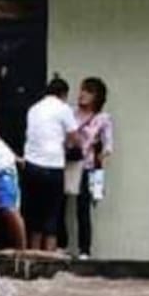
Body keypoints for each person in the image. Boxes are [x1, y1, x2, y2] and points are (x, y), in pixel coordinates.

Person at [22, 75, 79, 252]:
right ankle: (50, 261)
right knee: (52, 214)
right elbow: (74, 137)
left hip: (31, 165)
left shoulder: (33, 109)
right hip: (53, 166)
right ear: (63, 94)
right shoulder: (63, 108)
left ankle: (33, 255)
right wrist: (67, 146)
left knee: (35, 214)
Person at [60, 76, 114, 259]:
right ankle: (62, 245)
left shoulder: (102, 119)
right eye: (82, 89)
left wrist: (101, 153)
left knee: (83, 208)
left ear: (97, 97)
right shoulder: (69, 112)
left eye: (89, 91)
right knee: (61, 205)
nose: (82, 94)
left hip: (88, 166)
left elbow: (108, 145)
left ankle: (84, 250)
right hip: (67, 163)